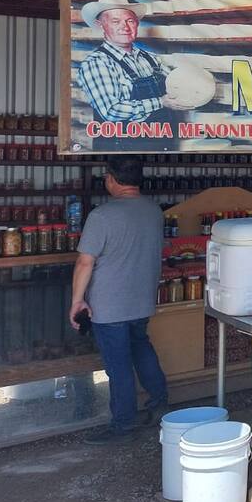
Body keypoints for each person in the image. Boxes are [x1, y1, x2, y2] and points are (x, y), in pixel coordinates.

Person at [69, 156, 168, 443]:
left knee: (119, 364)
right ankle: (159, 404)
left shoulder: (102, 216)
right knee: (141, 349)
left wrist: (77, 301)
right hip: (142, 300)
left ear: (112, 179)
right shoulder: (154, 211)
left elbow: (85, 263)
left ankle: (123, 425)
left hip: (110, 305)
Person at [76, 0, 183, 151]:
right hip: (123, 153)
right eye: (115, 21)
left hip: (162, 146)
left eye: (130, 21)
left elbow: (176, 86)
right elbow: (112, 110)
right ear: (101, 25)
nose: (124, 27)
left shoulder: (150, 58)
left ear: (137, 24)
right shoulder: (96, 63)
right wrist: (162, 102)